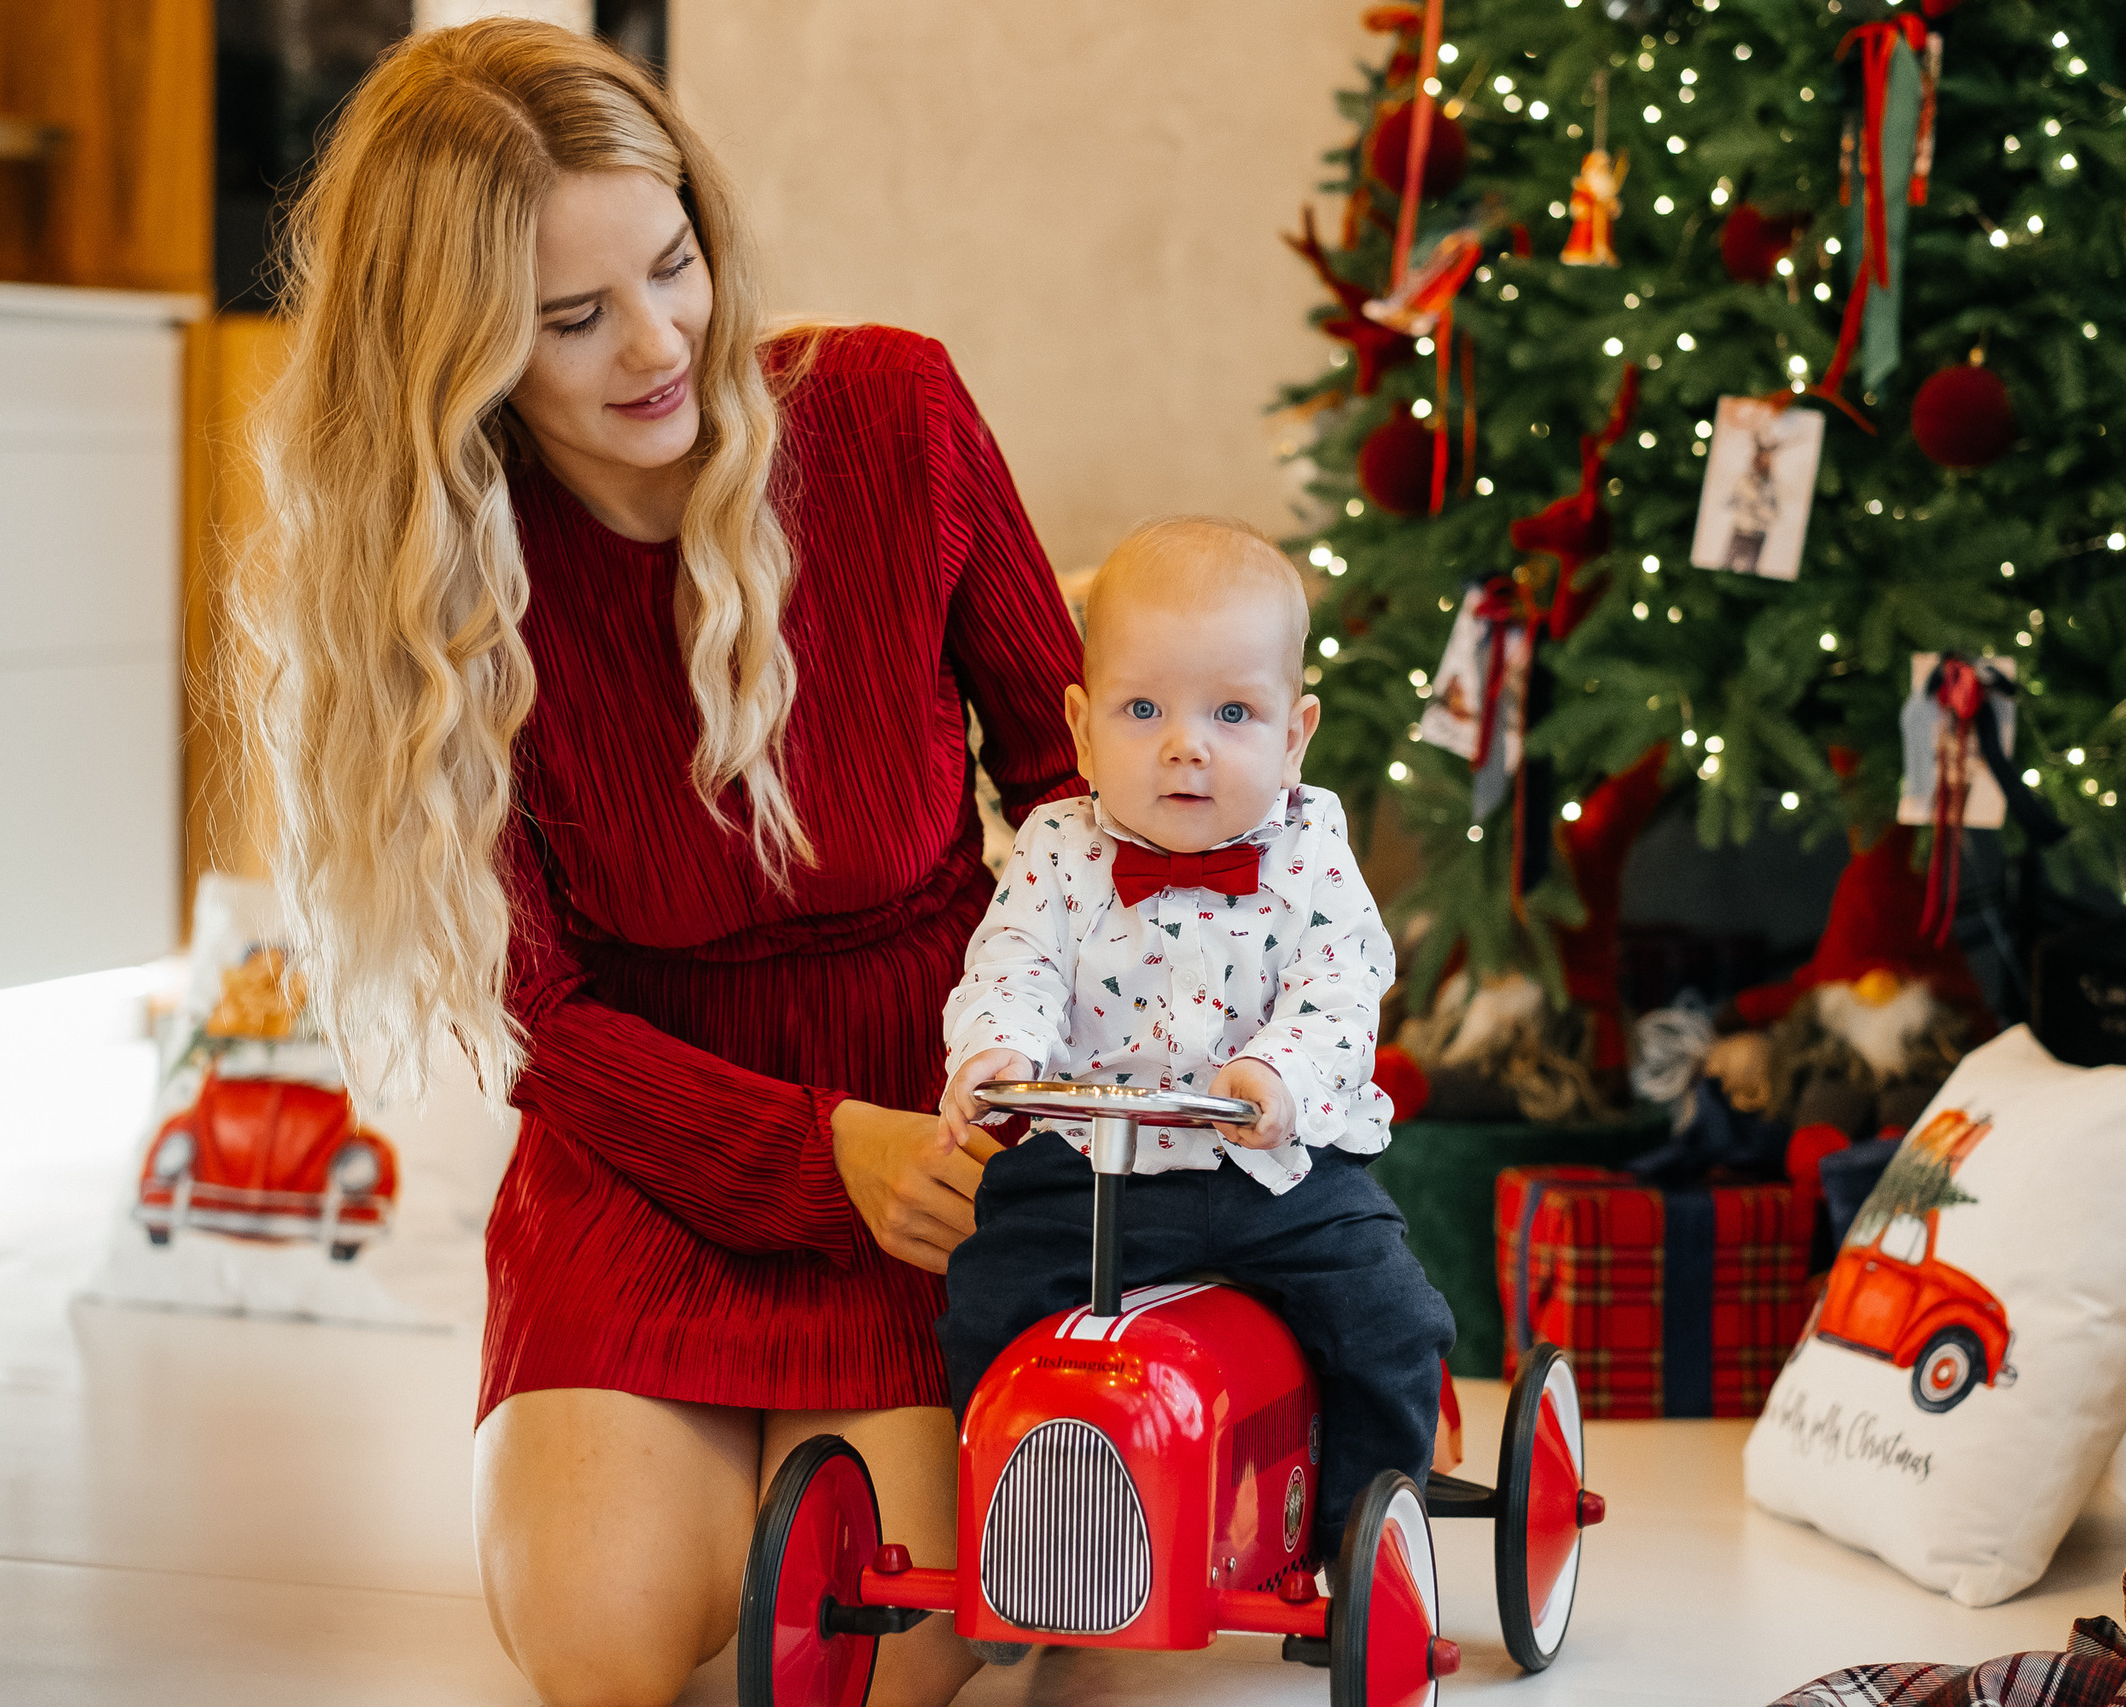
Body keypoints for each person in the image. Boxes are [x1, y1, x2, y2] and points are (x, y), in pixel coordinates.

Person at [232, 21, 1082, 1707]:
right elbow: (529, 1007)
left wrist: (1041, 1095)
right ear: (453, 352)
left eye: (675, 262)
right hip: (649, 1143)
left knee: (871, 1664)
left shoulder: (892, 413)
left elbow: (1068, 782)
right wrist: (800, 1148)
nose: (661, 342)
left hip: (930, 1122)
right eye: (571, 318)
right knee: (604, 1646)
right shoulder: (437, 582)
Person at [935, 518, 1457, 1571]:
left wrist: (1278, 1074)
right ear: (1081, 731)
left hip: (1278, 1172)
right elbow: (1015, 964)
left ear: (1294, 734)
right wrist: (995, 1053)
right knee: (985, 1293)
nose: (1187, 745)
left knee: (1392, 1319)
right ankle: (1024, 1528)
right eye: (1143, 709)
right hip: (1092, 1173)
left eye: (1232, 712)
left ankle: (1359, 1544)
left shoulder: (1311, 851)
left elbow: (1341, 989)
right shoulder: (1055, 849)